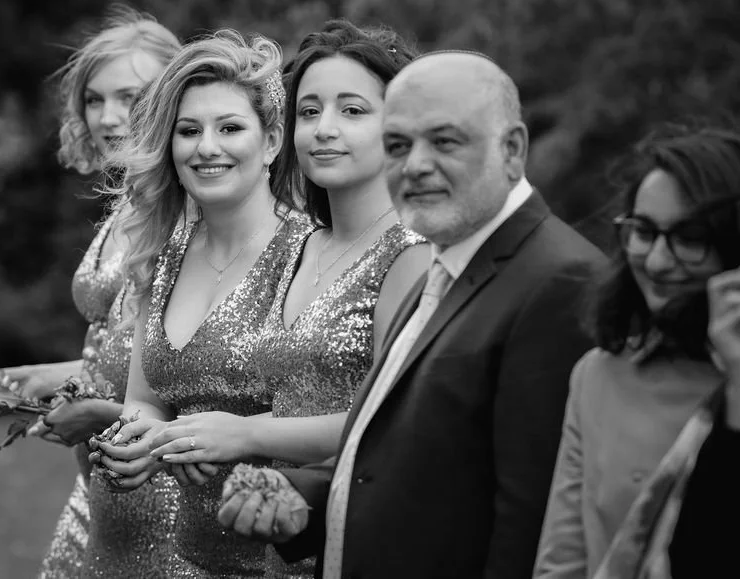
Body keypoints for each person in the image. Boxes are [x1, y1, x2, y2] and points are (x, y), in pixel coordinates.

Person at [218, 50, 606, 578]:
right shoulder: (445, 265)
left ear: (512, 150)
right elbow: (403, 456)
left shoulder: (558, 281)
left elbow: (534, 518)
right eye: (398, 145)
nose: (416, 165)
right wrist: (301, 496)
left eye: (444, 141)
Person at [144, 19, 429, 577]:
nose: (325, 129)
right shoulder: (306, 246)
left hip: (355, 537)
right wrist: (201, 439)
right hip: (274, 542)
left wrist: (245, 433)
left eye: (352, 111)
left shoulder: (410, 251)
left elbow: (399, 424)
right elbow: (288, 396)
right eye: (310, 111)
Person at [89, 29, 309, 577]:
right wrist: (132, 442)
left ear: (273, 141)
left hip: (278, 558)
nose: (206, 147)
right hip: (181, 558)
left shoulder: (309, 252)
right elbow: (145, 399)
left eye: (230, 128)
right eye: (189, 131)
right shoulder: (165, 253)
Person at [0, 7, 181, 578]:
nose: (107, 117)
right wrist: (44, 377)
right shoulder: (127, 205)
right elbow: (119, 346)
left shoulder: (188, 211)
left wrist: (94, 409)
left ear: (174, 98)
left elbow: (191, 367)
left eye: (130, 97)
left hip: (157, 477)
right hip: (93, 481)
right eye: (94, 100)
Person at [533, 128, 740, 578]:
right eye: (643, 232)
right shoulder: (599, 376)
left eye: (690, 238)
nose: (659, 261)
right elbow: (563, 561)